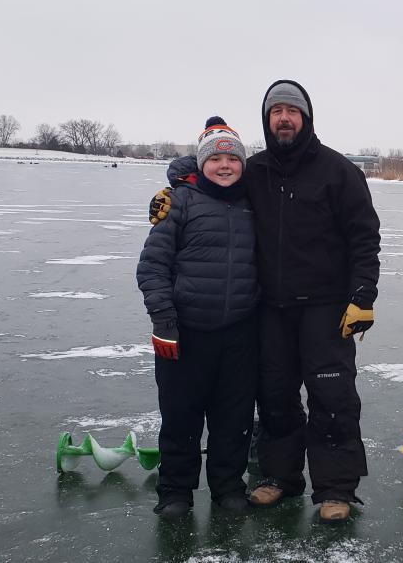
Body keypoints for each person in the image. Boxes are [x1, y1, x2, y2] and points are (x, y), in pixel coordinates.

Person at [149, 80, 380, 522]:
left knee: (332, 396)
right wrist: (174, 187)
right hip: (270, 308)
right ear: (266, 119)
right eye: (276, 112)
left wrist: (363, 294)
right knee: (274, 396)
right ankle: (279, 477)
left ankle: (335, 489)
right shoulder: (254, 169)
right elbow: (210, 171)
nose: (284, 119)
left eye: (293, 111)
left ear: (306, 118)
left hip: (325, 307)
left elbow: (364, 238)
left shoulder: (339, 171)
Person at [137, 117, 259, 518]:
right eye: (215, 158)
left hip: (240, 333)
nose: (224, 165)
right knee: (180, 416)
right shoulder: (179, 202)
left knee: (234, 417)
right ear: (201, 163)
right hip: (185, 334)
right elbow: (152, 267)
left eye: (232, 158)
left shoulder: (252, 203)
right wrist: (164, 322)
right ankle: (175, 491)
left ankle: (227, 487)